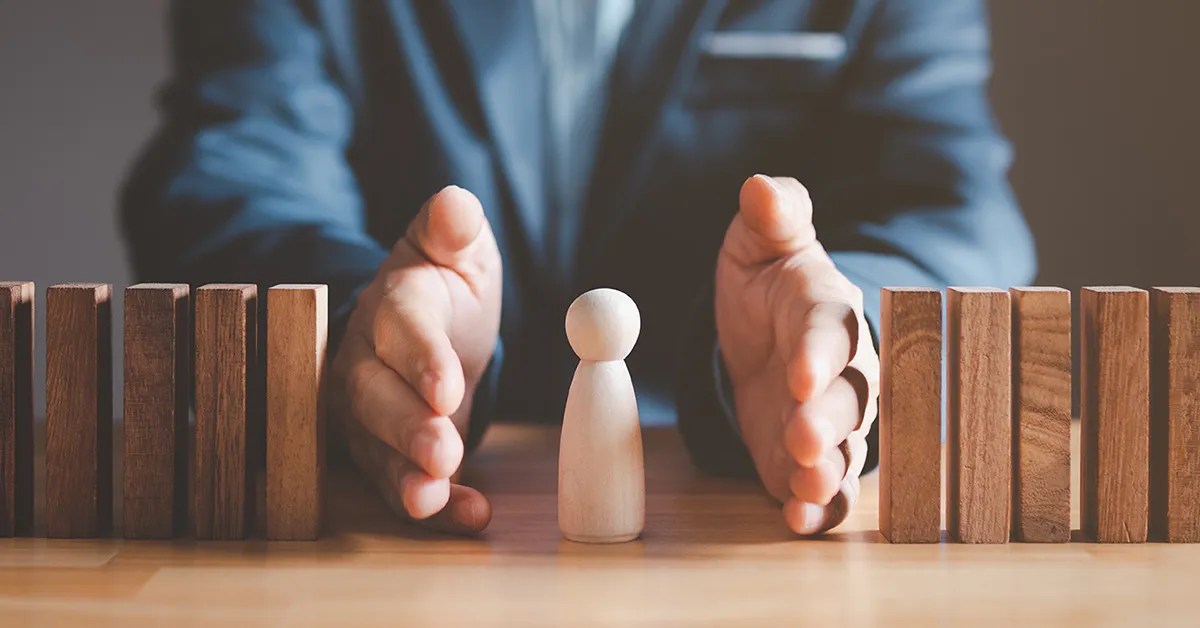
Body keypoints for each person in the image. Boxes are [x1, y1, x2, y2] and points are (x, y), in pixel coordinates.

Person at [121, 1, 1034, 536]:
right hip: (398, 531)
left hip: (723, 523)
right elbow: (226, 177)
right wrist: (369, 320)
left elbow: (956, 206)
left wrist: (842, 327)